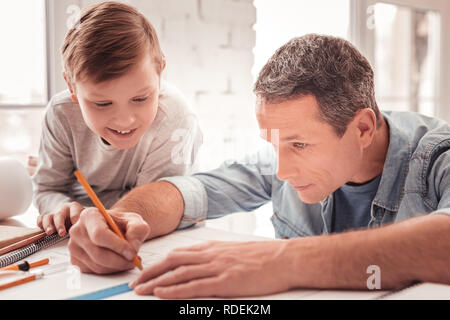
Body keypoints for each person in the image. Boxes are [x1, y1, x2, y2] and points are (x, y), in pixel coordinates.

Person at [67, 34, 450, 298]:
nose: (280, 170)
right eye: (274, 143)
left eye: (299, 144)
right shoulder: (280, 160)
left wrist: (283, 263)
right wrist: (120, 219)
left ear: (362, 127)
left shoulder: (438, 157)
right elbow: (194, 192)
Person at [32, 1, 202, 245]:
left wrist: (88, 207)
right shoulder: (61, 113)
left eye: (141, 98)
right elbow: (47, 189)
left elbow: (150, 209)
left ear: (160, 73)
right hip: (85, 236)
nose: (125, 120)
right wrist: (62, 207)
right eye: (102, 104)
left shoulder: (176, 118)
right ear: (71, 87)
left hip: (168, 239)